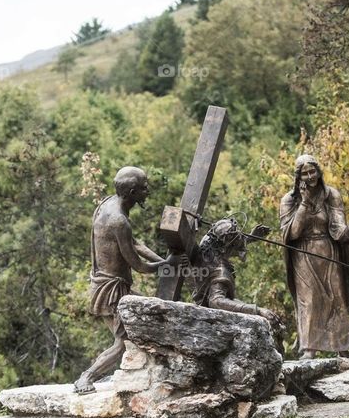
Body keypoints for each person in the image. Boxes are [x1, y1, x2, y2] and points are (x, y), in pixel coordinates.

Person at [73, 167, 180, 394]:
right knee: (123, 342)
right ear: (132, 192)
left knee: (152, 319)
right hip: (111, 291)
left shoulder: (109, 204)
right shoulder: (119, 220)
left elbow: (135, 243)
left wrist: (165, 260)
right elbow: (139, 266)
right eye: (144, 188)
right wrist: (167, 265)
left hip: (112, 285)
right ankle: (86, 377)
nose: (147, 191)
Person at [280, 154, 349, 359]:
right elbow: (293, 232)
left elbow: (337, 223)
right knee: (309, 300)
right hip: (303, 255)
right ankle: (309, 348)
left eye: (312, 171)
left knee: (336, 297)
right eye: (304, 173)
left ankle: (342, 346)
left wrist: (348, 231)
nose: (309, 176)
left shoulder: (331, 194)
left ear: (319, 171)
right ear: (298, 177)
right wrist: (305, 204)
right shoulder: (289, 200)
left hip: (328, 251)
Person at [190, 217, 282, 329]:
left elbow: (232, 241)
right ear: (225, 249)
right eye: (235, 244)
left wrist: (251, 237)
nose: (241, 246)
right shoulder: (220, 271)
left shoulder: (208, 243)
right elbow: (216, 301)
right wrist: (258, 310)